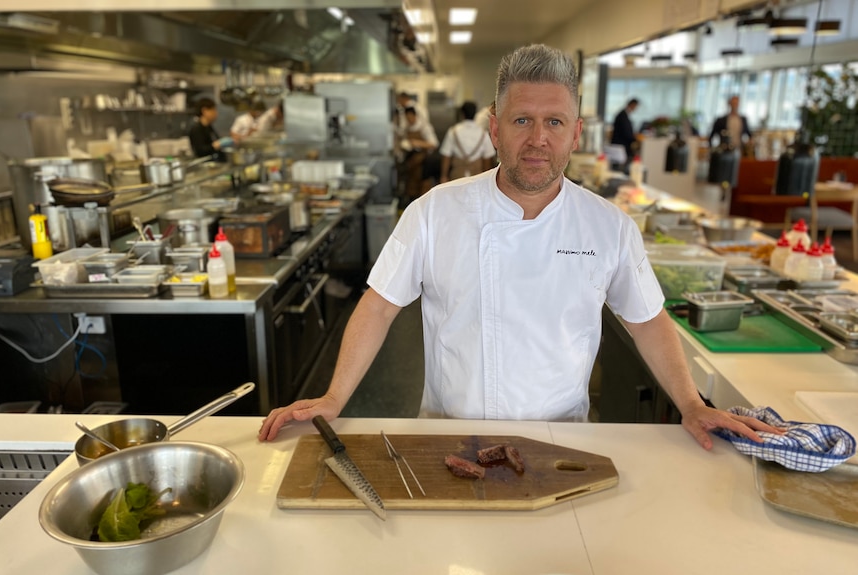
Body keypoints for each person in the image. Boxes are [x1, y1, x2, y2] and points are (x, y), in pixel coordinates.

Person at [259, 44, 777, 449]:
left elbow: (648, 319)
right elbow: (378, 306)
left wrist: (690, 402)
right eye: (521, 120)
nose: (537, 139)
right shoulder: (435, 211)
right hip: (445, 436)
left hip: (563, 439)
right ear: (495, 130)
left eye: (553, 123)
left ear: (576, 134)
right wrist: (334, 397)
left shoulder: (609, 226)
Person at [439, 101, 495, 183]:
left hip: (457, 176)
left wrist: (444, 176)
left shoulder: (453, 131)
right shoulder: (483, 133)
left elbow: (446, 155)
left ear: (462, 114)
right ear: (475, 113)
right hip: (477, 178)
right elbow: (487, 159)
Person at [397, 106, 438, 201]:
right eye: (407, 118)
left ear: (414, 115)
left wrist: (417, 143)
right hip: (411, 163)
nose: (409, 120)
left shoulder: (424, 127)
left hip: (424, 163)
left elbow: (434, 144)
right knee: (411, 189)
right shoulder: (407, 128)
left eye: (410, 117)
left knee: (423, 191)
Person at [610, 98, 639, 168]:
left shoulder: (624, 114)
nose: (635, 109)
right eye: (635, 106)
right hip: (620, 145)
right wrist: (634, 139)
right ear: (632, 105)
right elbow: (626, 132)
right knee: (618, 166)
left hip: (621, 145)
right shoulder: (622, 115)